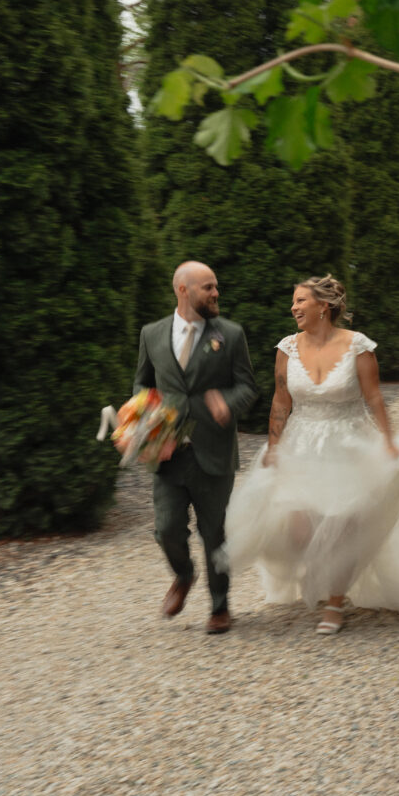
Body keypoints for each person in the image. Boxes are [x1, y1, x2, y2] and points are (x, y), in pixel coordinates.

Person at [222, 274, 399, 635]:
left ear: (324, 306)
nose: (294, 307)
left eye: (301, 300)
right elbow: (281, 400)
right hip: (301, 446)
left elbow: (374, 397)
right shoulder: (286, 347)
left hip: (348, 445)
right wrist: (273, 446)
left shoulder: (358, 346)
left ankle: (335, 602)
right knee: (302, 528)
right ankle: (322, 578)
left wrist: (388, 440)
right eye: (294, 301)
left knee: (344, 526)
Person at [133, 261, 257, 634]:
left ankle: (220, 607)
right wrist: (146, 420)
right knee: (167, 528)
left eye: (216, 286)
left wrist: (228, 404)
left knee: (215, 533)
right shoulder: (152, 334)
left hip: (213, 451)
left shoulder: (230, 335)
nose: (216, 293)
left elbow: (248, 387)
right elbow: (142, 385)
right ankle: (183, 575)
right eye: (207, 287)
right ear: (182, 290)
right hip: (167, 453)